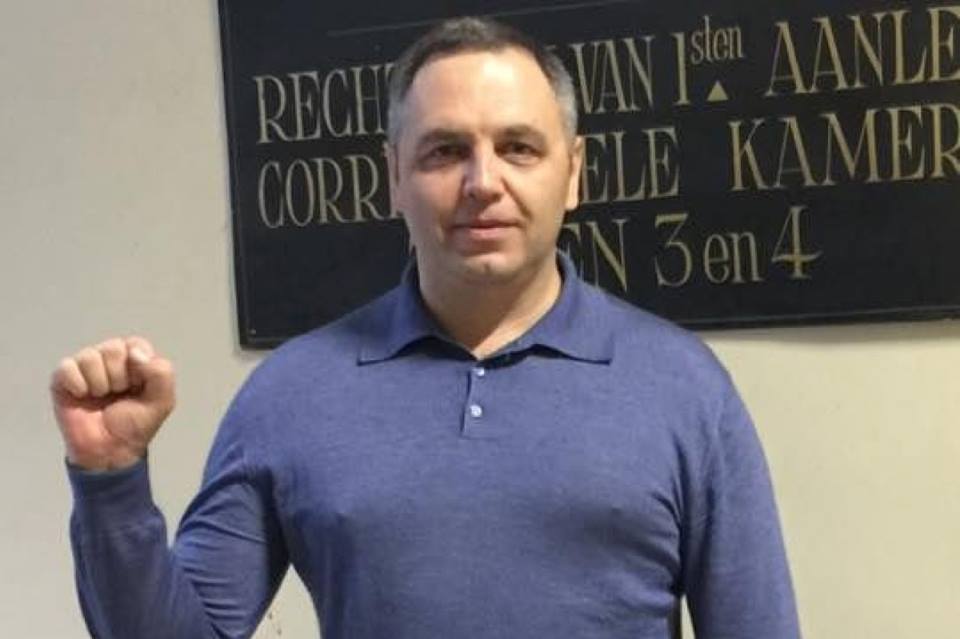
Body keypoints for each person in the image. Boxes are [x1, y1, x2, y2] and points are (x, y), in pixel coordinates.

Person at [51, 17, 800, 639]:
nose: (483, 182)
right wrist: (111, 478)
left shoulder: (685, 389)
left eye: (518, 147)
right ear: (394, 177)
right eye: (445, 151)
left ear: (572, 173)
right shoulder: (291, 394)